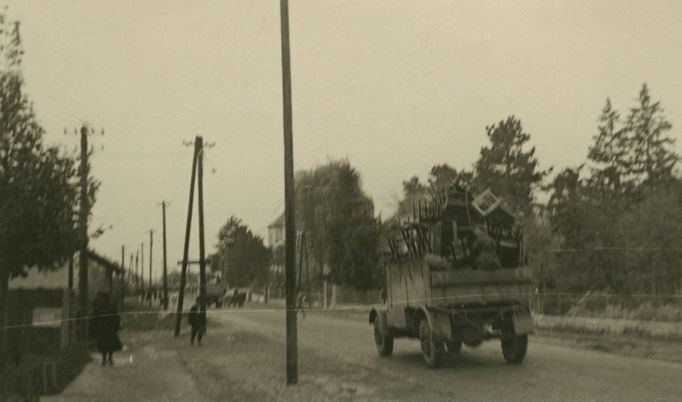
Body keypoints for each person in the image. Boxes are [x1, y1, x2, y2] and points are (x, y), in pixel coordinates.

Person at [91, 292, 122, 366]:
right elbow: (117, 317)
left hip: (102, 329)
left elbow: (95, 318)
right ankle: (110, 358)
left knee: (103, 344)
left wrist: (95, 327)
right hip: (110, 329)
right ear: (108, 299)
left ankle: (104, 359)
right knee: (110, 344)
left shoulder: (99, 307)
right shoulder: (112, 307)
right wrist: (116, 327)